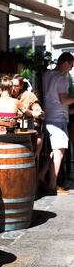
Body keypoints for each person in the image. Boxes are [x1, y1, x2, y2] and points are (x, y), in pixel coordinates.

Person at [38, 52, 74, 195]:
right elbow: (64, 101)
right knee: (59, 151)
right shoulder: (61, 79)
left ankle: (41, 175)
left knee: (56, 150)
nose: (70, 69)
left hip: (49, 117)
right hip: (58, 120)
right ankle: (52, 186)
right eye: (71, 66)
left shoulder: (47, 75)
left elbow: (53, 99)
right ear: (66, 63)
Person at [12, 74, 44, 171]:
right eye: (11, 85)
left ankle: (33, 159)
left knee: (39, 135)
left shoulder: (29, 96)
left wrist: (37, 109)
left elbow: (36, 106)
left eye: (16, 86)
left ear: (21, 86)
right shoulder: (7, 95)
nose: (13, 88)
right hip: (13, 127)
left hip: (28, 126)